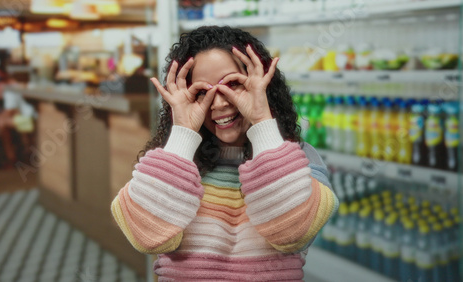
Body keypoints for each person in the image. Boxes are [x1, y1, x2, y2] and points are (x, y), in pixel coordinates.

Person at [111, 26, 338, 281]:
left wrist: (262, 120)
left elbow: (293, 234)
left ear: (262, 83)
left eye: (233, 84)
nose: (219, 103)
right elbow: (146, 237)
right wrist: (183, 132)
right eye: (201, 92)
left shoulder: (300, 159)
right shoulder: (174, 160)